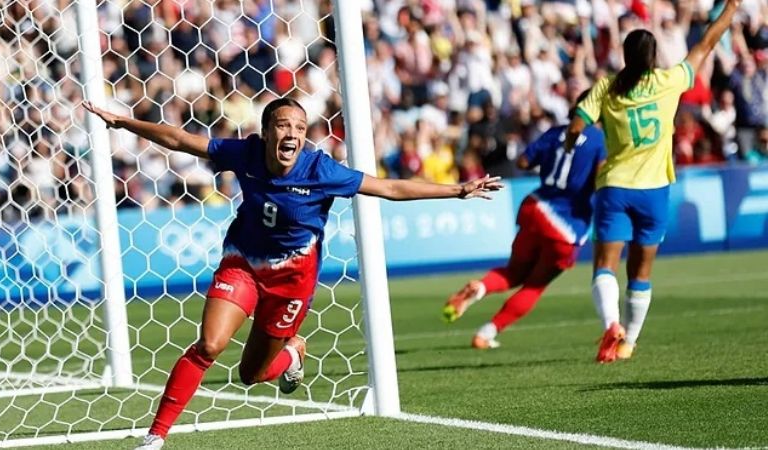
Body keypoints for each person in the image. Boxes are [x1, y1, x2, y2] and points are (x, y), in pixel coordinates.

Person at [82, 98, 502, 450]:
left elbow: (390, 188)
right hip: (243, 263)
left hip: (291, 283)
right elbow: (179, 139)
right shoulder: (245, 153)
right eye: (283, 125)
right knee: (210, 344)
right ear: (267, 132)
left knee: (251, 375)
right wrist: (124, 122)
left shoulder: (321, 171)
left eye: (300, 128)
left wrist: (458, 190)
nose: (292, 134)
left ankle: (292, 353)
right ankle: (155, 438)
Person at [562, 0, 742, 363]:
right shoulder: (669, 80)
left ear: (624, 55)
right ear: (653, 56)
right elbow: (706, 43)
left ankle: (612, 325)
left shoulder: (608, 87)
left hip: (614, 187)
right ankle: (629, 344)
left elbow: (576, 126)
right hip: (655, 190)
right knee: (640, 273)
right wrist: (731, 7)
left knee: (604, 267)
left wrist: (571, 142)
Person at [442, 90, 606, 349]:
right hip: (567, 224)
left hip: (535, 207)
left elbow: (523, 160)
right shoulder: (601, 140)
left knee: (514, 272)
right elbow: (602, 178)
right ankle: (486, 333)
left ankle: (481, 287)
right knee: (535, 285)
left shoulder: (554, 133)